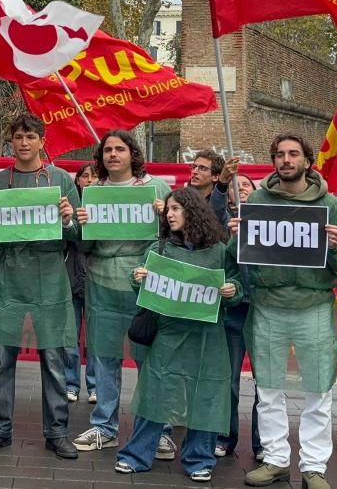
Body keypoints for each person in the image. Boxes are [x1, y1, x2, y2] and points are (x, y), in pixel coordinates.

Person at [230, 134, 337, 489]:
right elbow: (241, 256)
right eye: (280, 154)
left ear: (307, 161)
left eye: (293, 154)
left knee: (318, 390)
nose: (286, 159)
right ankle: (276, 460)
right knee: (268, 389)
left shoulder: (328, 204)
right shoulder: (256, 200)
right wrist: (236, 235)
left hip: (314, 305)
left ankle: (314, 467)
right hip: (268, 304)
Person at [115, 188, 243, 483]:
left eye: (176, 209)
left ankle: (199, 458)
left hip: (207, 335)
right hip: (169, 332)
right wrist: (137, 279)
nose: (169, 214)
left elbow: (238, 286)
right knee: (155, 393)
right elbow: (143, 289)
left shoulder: (220, 251)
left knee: (207, 396)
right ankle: (136, 455)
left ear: (193, 212)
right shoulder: (159, 249)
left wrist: (232, 291)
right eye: (167, 210)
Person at [0, 113, 80, 460]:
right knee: (3, 359)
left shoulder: (61, 181)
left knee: (53, 359)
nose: (24, 143)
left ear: (42, 141)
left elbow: (78, 234)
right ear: (10, 141)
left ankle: (57, 432)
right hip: (7, 279)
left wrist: (67, 221)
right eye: (18, 136)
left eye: (30, 137)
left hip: (49, 277)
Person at [71, 132, 171, 457]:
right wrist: (80, 226)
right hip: (100, 280)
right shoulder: (92, 192)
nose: (113, 154)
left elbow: (178, 237)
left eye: (120, 149)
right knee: (104, 355)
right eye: (108, 150)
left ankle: (157, 428)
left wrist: (164, 219)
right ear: (101, 157)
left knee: (148, 358)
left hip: (143, 281)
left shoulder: (155, 189)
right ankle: (105, 427)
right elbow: (84, 247)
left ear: (133, 154)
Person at [216, 174, 262, 461]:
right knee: (228, 381)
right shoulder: (223, 220)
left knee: (266, 384)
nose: (241, 187)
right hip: (233, 310)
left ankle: (263, 444)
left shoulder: (267, 218)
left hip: (262, 310)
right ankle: (224, 437)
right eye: (236, 185)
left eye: (247, 184)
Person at [63, 162, 98, 405]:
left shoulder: (107, 207)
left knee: (96, 338)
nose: (88, 180)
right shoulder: (69, 207)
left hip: (97, 278)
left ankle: (95, 386)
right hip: (71, 276)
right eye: (84, 176)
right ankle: (71, 384)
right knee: (70, 336)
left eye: (94, 176)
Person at [188, 150, 240, 226]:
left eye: (202, 168)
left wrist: (222, 182)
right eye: (194, 167)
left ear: (215, 177)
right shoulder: (183, 199)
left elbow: (216, 214)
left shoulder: (222, 205)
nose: (195, 171)